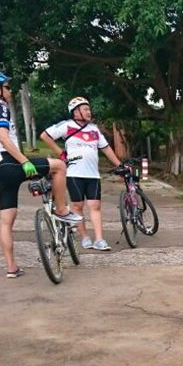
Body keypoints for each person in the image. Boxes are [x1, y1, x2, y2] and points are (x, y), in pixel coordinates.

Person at [0, 70, 82, 279]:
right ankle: (62, 210)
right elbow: (4, 138)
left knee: (6, 221)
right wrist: (24, 161)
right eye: (7, 87)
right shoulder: (0, 107)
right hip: (9, 162)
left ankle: (11, 267)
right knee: (59, 166)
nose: (10, 91)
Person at [40, 97, 122, 251]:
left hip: (93, 174)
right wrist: (61, 152)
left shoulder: (94, 129)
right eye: (85, 109)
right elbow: (45, 136)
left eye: (89, 109)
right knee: (78, 206)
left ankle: (99, 239)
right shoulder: (67, 125)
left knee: (95, 205)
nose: (89, 112)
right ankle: (84, 237)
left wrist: (119, 165)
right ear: (76, 112)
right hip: (74, 173)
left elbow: (106, 148)